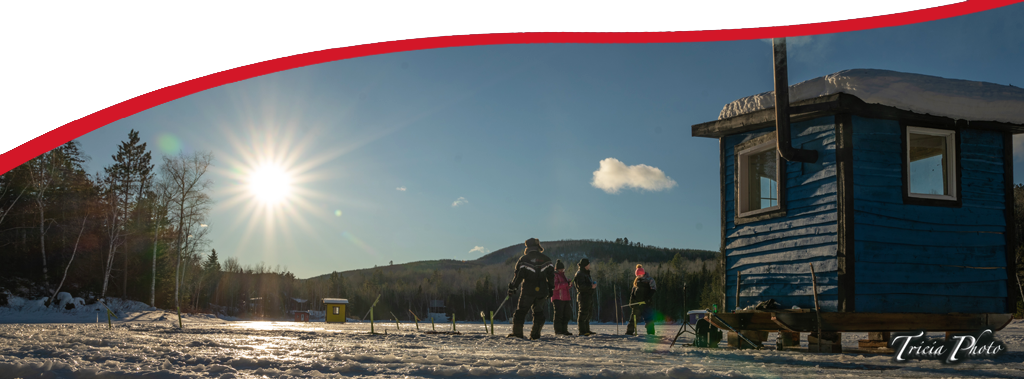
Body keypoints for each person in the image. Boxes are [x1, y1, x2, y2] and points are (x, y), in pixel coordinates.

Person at [507, 238, 555, 340]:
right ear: (538, 246)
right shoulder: (547, 259)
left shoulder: (524, 259)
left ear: (527, 247)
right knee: (539, 313)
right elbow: (551, 276)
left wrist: (513, 287)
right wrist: (551, 288)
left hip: (528, 291)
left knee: (521, 312)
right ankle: (535, 335)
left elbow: (518, 276)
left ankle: (517, 334)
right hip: (542, 290)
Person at [626, 264, 657, 336]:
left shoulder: (650, 280)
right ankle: (629, 333)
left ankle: (651, 334)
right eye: (637, 276)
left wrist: (647, 299)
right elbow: (633, 293)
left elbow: (653, 290)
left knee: (649, 319)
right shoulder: (636, 281)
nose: (638, 277)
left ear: (643, 273)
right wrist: (631, 301)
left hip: (646, 304)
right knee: (632, 320)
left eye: (639, 275)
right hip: (637, 304)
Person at [572, 258, 596, 336]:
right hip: (583, 296)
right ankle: (582, 331)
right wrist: (591, 286)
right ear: (585, 265)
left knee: (588, 313)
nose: (589, 265)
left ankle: (587, 329)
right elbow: (581, 286)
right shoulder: (580, 274)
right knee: (583, 313)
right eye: (588, 264)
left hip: (588, 296)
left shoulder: (586, 273)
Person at [550, 259, 572, 335]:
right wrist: (566, 284)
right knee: (559, 315)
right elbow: (555, 286)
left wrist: (569, 284)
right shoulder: (555, 275)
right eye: (561, 269)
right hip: (558, 298)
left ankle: (564, 330)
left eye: (563, 269)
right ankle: (558, 330)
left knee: (566, 314)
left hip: (565, 298)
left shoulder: (563, 275)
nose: (562, 270)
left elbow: (565, 286)